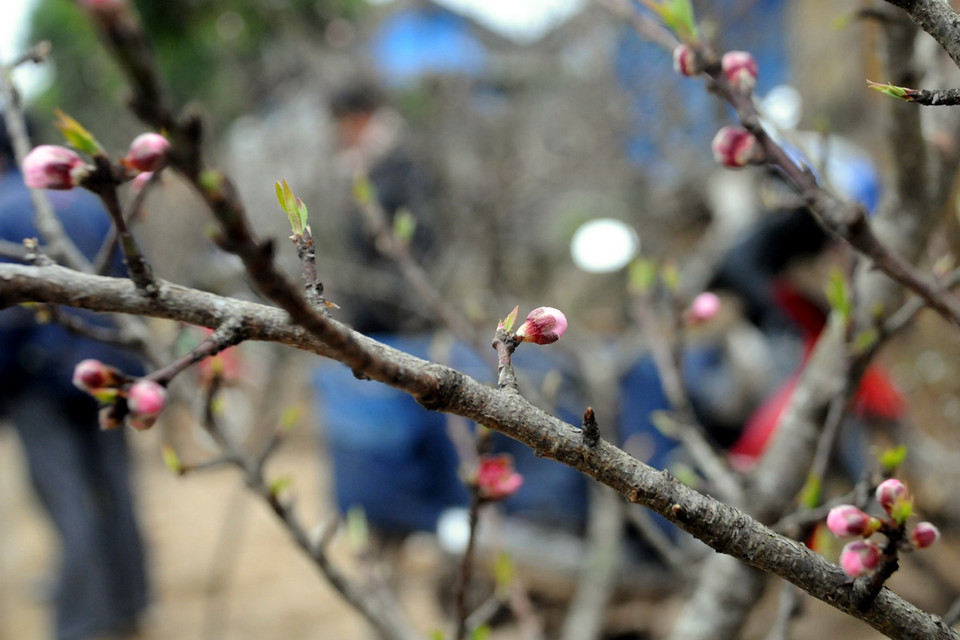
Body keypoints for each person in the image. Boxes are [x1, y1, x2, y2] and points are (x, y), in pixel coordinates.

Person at [0, 115, 149, 640]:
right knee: (116, 489)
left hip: (37, 382)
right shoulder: (89, 201)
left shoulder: (2, 209)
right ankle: (131, 601)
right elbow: (138, 282)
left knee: (69, 504)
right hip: (111, 370)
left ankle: (83, 623)